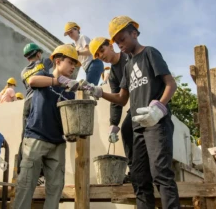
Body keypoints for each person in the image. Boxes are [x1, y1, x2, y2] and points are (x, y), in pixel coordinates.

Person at [83, 16, 180, 209]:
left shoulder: (150, 53)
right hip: (138, 128)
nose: (120, 45)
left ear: (134, 34)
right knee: (139, 177)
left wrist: (159, 108)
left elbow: (171, 84)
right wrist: (100, 93)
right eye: (117, 42)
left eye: (122, 40)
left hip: (156, 124)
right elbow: (121, 99)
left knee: (160, 173)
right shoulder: (127, 67)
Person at [13, 44, 81, 209]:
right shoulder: (43, 75)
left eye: (75, 64)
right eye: (71, 62)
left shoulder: (69, 92)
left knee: (55, 189)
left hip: (57, 143)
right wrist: (58, 81)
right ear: (58, 61)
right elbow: (32, 81)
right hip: (36, 138)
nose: (73, 67)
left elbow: (67, 117)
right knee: (26, 186)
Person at [89, 37, 133, 183]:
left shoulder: (129, 57)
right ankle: (134, 172)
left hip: (150, 100)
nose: (101, 55)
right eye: (98, 55)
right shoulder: (113, 73)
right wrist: (113, 125)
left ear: (111, 46)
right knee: (127, 130)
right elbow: (117, 100)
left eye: (102, 50)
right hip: (136, 105)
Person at [17, 43, 53, 179]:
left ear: (27, 58)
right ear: (38, 54)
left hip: (27, 102)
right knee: (41, 135)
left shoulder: (23, 72)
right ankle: (41, 174)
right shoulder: (43, 63)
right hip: (39, 101)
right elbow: (56, 58)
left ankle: (22, 169)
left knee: (25, 136)